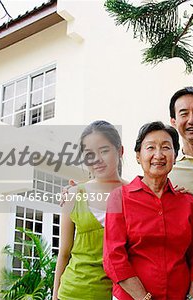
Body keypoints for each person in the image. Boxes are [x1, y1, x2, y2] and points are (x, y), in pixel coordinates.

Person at [103, 121, 193, 300]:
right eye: (150, 147)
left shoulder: (187, 203)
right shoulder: (119, 198)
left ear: (175, 156)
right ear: (138, 155)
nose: (158, 155)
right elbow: (113, 257)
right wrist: (143, 297)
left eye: (166, 147)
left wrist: (192, 295)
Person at [53, 120, 127, 300]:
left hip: (119, 293)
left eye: (104, 151)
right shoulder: (73, 195)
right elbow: (64, 252)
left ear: (120, 151)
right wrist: (55, 296)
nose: (97, 160)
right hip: (73, 292)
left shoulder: (136, 193)